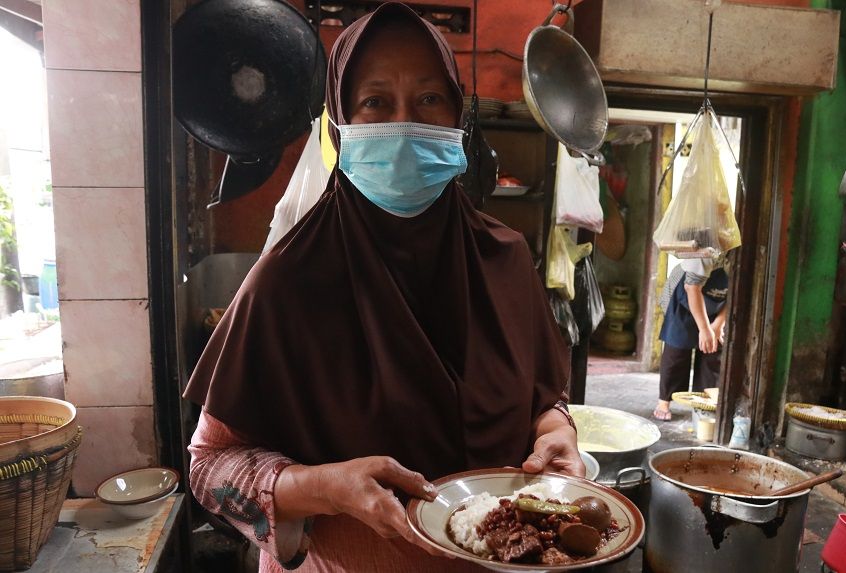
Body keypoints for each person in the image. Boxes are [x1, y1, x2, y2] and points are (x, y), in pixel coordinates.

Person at [183, 4, 585, 572]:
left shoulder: (506, 260)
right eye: (375, 103)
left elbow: (543, 398)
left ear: (457, 120)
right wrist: (323, 486)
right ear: (340, 126)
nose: (403, 124)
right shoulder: (288, 280)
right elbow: (210, 465)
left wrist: (555, 432)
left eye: (428, 100)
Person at [652, 255, 729, 421]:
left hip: (718, 302)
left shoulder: (742, 255)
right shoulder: (705, 249)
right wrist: (704, 327)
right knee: (677, 349)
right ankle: (664, 401)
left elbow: (737, 296)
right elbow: (692, 288)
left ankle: (704, 402)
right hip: (686, 296)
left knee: (713, 351)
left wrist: (718, 324)